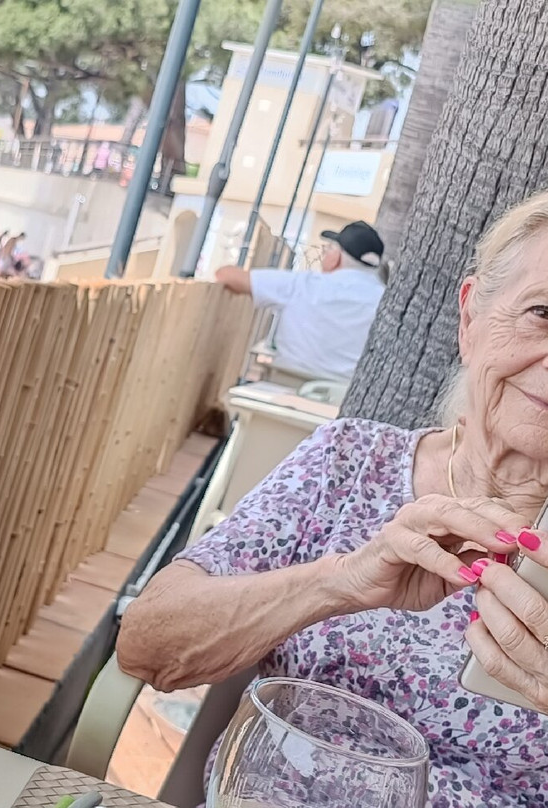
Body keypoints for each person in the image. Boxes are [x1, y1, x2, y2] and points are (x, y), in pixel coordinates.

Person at [118, 192, 548, 806]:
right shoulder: (349, 462)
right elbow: (146, 646)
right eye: (543, 313)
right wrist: (339, 582)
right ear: (471, 317)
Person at [214, 220, 386, 381]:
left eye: (327, 249)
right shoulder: (384, 301)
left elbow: (226, 276)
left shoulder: (304, 285)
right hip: (347, 393)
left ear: (336, 257)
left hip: (286, 385)